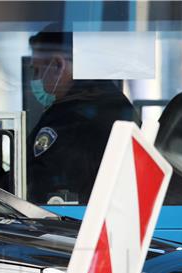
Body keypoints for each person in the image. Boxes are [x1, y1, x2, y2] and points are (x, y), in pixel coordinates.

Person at [26, 28, 140, 205]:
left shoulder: (69, 119)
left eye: (37, 70)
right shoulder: (110, 101)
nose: (35, 79)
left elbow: (41, 187)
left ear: (58, 65)